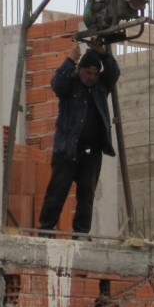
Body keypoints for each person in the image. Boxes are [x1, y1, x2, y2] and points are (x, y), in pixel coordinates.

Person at [38, 39, 119, 236]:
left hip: (91, 153)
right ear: (79, 70)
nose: (90, 77)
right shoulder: (70, 84)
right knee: (56, 193)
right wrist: (70, 60)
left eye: (94, 74)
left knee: (87, 195)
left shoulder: (101, 87)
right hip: (67, 150)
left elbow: (114, 73)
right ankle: (46, 231)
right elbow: (56, 84)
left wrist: (103, 53)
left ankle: (81, 234)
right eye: (87, 72)